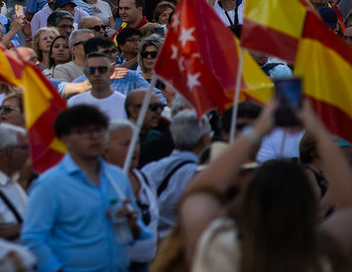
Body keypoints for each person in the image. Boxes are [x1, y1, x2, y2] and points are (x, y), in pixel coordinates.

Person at [177, 99, 352, 272]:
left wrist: (258, 129)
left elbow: (198, 192)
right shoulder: (324, 257)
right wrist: (319, 132)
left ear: (249, 201)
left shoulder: (219, 248)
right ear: (307, 206)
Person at [21, 105, 144, 272]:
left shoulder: (118, 177)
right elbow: (32, 238)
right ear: (65, 139)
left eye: (99, 130)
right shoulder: (50, 184)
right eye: (83, 132)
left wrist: (132, 226)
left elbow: (135, 231)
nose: (94, 137)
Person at [142, 110, 211, 238]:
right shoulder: (200, 176)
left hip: (154, 245)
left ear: (173, 136)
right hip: (180, 245)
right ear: (204, 139)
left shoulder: (150, 169)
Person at [104, 119, 159, 271]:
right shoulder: (101, 183)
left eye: (136, 143)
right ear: (106, 151)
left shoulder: (145, 178)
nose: (134, 149)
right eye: (125, 144)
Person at [66, 52, 127, 122]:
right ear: (86, 73)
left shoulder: (124, 103)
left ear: (111, 71)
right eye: (91, 70)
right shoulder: (73, 103)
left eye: (102, 70)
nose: (97, 74)